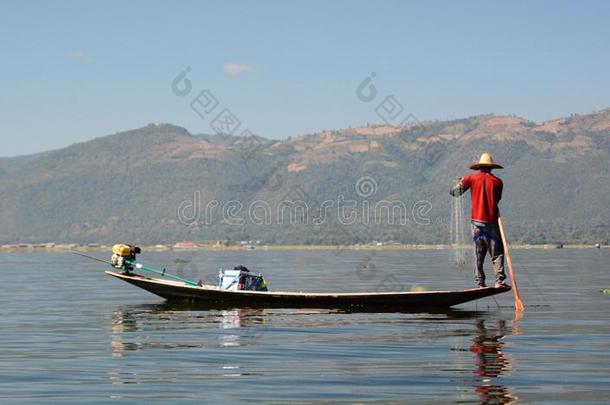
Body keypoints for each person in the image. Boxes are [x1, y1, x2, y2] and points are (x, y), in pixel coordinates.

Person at [450, 153, 508, 288]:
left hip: (476, 223)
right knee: (496, 253)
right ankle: (499, 281)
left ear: (480, 167)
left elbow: (454, 192)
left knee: (478, 253)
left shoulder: (470, 179)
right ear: (491, 168)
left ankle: (480, 282)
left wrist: (459, 182)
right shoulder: (498, 182)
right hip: (492, 223)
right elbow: (497, 200)